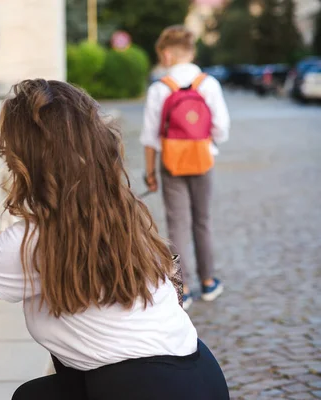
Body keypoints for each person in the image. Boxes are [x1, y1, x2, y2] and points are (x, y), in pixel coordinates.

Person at [0, 79, 230, 399]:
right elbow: (15, 255)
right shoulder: (107, 207)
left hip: (144, 388)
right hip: (196, 374)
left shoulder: (39, 236)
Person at [141, 25, 230, 310]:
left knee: (176, 224)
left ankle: (184, 288)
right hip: (203, 159)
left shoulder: (159, 88)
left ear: (166, 54)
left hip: (171, 164)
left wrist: (151, 173)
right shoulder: (209, 84)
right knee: (202, 221)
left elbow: (150, 137)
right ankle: (209, 282)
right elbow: (222, 130)